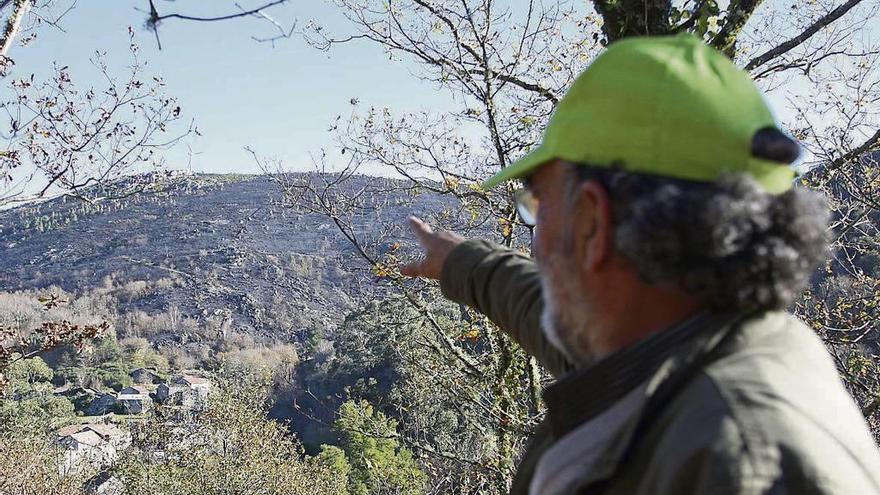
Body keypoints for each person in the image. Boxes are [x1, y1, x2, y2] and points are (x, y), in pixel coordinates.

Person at [400, 34, 880, 495]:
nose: (538, 242)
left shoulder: (738, 464)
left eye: (539, 203)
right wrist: (459, 262)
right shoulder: (682, 352)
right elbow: (538, 304)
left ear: (592, 222)